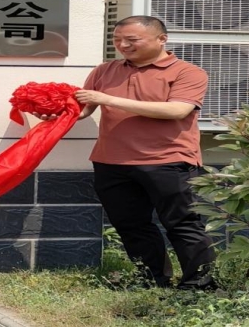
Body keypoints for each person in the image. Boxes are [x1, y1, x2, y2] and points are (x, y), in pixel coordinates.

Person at [74, 15, 216, 290]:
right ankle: (151, 280)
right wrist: (50, 111)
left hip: (168, 160)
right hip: (111, 161)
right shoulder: (104, 71)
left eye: (132, 40)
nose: (123, 45)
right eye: (117, 40)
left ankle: (200, 285)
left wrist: (108, 99)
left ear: (162, 39)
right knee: (131, 225)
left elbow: (177, 110)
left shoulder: (187, 72)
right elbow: (83, 109)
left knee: (183, 224)